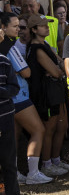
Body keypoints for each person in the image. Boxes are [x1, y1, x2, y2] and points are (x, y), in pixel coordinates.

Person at [0, 13, 52, 185]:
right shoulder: (9, 47)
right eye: (15, 26)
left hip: (7, 101)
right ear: (3, 27)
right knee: (38, 130)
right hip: (19, 97)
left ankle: (14, 174)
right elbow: (26, 72)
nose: (19, 30)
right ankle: (33, 173)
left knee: (12, 137)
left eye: (19, 26)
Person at [24, 13, 69, 176]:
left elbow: (60, 62)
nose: (47, 27)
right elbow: (56, 71)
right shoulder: (36, 48)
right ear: (33, 29)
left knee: (62, 125)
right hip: (46, 94)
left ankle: (56, 159)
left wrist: (59, 68)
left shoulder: (45, 44)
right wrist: (59, 69)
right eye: (42, 25)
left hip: (56, 90)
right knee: (50, 128)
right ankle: (46, 163)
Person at [0, 46, 20, 194]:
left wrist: (2, 91)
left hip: (4, 120)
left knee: (9, 163)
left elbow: (14, 87)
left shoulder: (4, 61)